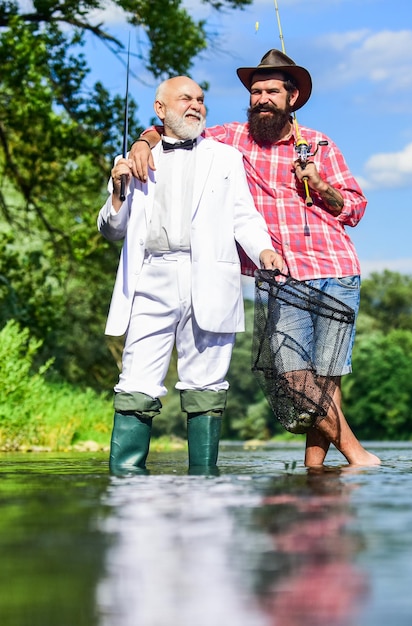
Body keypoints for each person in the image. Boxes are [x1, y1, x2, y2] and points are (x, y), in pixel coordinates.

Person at [130, 50, 381, 467]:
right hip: (278, 275)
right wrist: (143, 140)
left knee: (326, 384)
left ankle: (314, 472)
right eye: (255, 92)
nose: (262, 99)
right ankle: (358, 456)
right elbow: (172, 126)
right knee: (298, 380)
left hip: (335, 269)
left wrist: (318, 183)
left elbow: (354, 208)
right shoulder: (230, 140)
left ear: (292, 98)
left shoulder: (319, 144)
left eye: (271, 92)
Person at [98, 75, 283, 474]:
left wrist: (264, 249)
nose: (196, 105)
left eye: (201, 99)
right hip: (150, 276)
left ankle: (205, 484)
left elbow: (243, 215)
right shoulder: (133, 161)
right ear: (160, 109)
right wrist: (117, 189)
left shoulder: (225, 157)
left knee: (207, 383)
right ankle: (127, 485)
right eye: (186, 99)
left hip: (211, 277)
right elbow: (111, 229)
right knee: (136, 379)